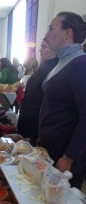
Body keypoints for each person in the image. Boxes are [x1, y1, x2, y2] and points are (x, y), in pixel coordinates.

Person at [38, 11, 86, 189]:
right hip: (51, 149)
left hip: (65, 156)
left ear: (67, 33)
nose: (47, 34)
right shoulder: (62, 62)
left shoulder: (80, 65)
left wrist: (69, 156)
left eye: (51, 28)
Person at [17, 39, 58, 145]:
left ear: (55, 48)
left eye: (44, 47)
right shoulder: (44, 65)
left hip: (36, 125)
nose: (39, 50)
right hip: (28, 120)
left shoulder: (55, 68)